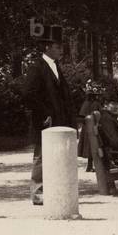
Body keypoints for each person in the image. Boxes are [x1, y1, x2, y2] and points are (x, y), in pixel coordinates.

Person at [23, 28, 76, 206]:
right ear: (47, 47)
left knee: (56, 155)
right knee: (41, 156)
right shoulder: (37, 67)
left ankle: (53, 188)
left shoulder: (55, 67)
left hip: (59, 120)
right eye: (58, 47)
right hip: (45, 121)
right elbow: (28, 93)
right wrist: (44, 112)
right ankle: (37, 192)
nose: (62, 50)